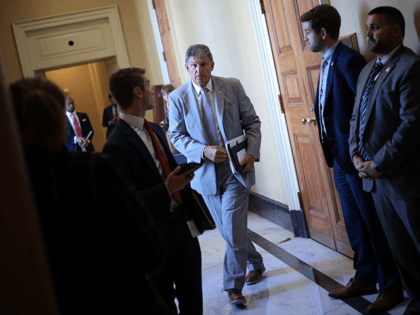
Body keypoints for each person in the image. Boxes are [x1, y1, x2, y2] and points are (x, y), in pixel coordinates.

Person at [10, 77, 168, 314]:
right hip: (122, 301)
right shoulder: (96, 171)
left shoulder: (13, 196)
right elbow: (150, 253)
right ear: (60, 119)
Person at [300, 5, 403, 313]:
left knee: (373, 224)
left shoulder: (349, 61)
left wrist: (359, 155)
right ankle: (365, 276)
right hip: (339, 161)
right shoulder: (325, 62)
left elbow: (364, 114)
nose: (304, 38)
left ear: (322, 32)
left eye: (306, 32)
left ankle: (391, 286)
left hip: (356, 162)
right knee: (355, 224)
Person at [169, 44, 264, 305]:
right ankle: (256, 261)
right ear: (187, 68)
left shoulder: (231, 86)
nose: (198, 70)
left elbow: (252, 123)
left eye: (203, 64)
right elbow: (176, 136)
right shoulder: (178, 98)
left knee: (232, 226)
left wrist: (252, 154)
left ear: (212, 65)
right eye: (193, 66)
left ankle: (233, 286)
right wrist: (202, 151)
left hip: (236, 170)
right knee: (228, 230)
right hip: (205, 175)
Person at [103, 67, 203, 314]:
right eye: (148, 86)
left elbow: (166, 169)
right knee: (163, 302)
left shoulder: (155, 128)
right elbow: (123, 203)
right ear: (137, 92)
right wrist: (166, 188)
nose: (152, 91)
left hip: (182, 226)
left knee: (193, 297)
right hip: (151, 235)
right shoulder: (114, 146)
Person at [349, 6, 420, 315]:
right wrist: (354, 155)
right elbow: (355, 119)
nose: (368, 33)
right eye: (368, 27)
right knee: (401, 251)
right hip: (374, 183)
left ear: (396, 30)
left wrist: (377, 164)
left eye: (375, 27)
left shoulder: (410, 67)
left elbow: (412, 124)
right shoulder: (367, 69)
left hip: (404, 180)